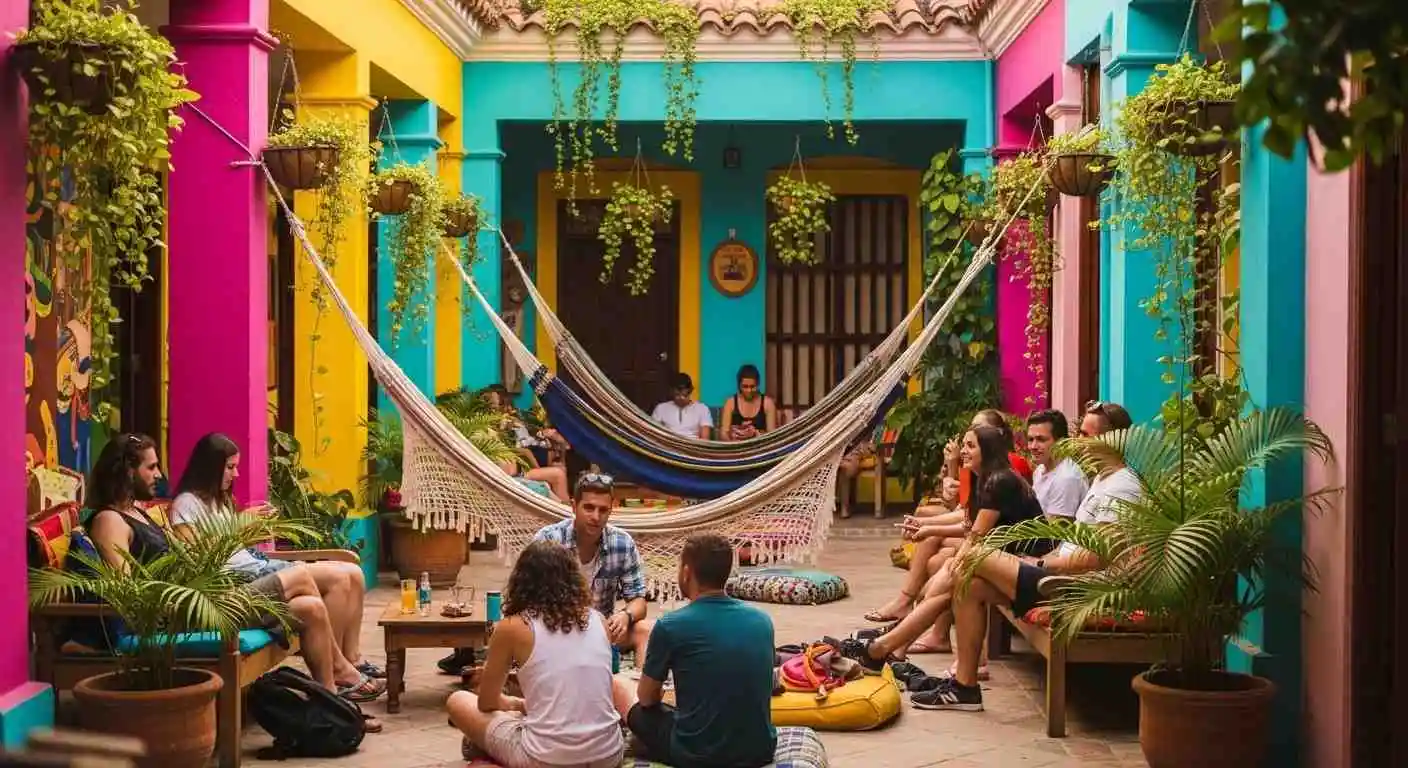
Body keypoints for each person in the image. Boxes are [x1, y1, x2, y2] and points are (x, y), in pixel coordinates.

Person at [84, 434, 384, 707]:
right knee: (302, 577)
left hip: (206, 597)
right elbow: (127, 591)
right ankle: (344, 670)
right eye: (151, 468)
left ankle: (331, 703)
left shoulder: (136, 512)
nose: (159, 475)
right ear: (126, 470)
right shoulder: (109, 520)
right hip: (184, 613)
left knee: (311, 607)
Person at [913, 400, 1142, 711]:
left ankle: (895, 641)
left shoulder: (1122, 488)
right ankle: (965, 687)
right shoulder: (1102, 479)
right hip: (1058, 571)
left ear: (1113, 440)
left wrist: (1038, 563)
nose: (1077, 443)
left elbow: (1095, 559)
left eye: (1086, 436)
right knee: (970, 584)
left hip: (1076, 584)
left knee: (974, 555)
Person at [169, 433, 386, 686]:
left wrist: (254, 531)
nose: (235, 475)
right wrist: (240, 526)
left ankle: (351, 658)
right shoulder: (186, 505)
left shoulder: (218, 501)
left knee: (353, 572)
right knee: (338, 579)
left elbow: (233, 548)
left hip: (257, 565)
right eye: (230, 467)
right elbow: (200, 557)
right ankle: (337, 668)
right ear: (210, 467)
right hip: (242, 579)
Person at [852, 424, 1051, 672]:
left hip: (1029, 566)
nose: (963, 451)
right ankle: (891, 647)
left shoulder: (1001, 480)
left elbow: (976, 536)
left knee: (951, 575)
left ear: (987, 450)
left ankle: (889, 646)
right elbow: (970, 525)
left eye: (970, 446)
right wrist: (927, 527)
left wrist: (936, 537)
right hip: (1004, 562)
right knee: (950, 582)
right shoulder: (986, 477)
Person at [439, 473, 655, 674]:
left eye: (603, 510)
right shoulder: (549, 540)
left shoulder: (622, 543)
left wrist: (626, 616)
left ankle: (638, 706)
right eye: (588, 508)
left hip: (601, 632)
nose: (596, 516)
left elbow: (639, 601)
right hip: (554, 629)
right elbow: (525, 598)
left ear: (611, 510)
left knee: (644, 629)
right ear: (573, 506)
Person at [447, 541, 625, 768]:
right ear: (574, 580)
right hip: (608, 755)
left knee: (458, 701)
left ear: (521, 581)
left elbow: (487, 702)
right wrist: (522, 706)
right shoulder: (599, 620)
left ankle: (486, 749)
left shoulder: (512, 626)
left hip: (546, 759)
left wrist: (513, 704)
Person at [617, 534, 777, 768]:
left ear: (686, 572)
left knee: (619, 685)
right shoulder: (762, 621)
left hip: (696, 754)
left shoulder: (671, 625)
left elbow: (647, 699)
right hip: (759, 750)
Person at [1025, 409, 1089, 520]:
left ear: (1061, 442)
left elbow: (1056, 532)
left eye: (1041, 439)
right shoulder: (1040, 469)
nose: (1033, 446)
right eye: (1030, 439)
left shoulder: (1066, 478)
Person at [719, 364, 776, 441]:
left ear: (758, 384)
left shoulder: (768, 403)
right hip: (736, 448)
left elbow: (772, 434)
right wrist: (734, 438)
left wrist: (756, 433)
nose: (749, 390)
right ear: (739, 385)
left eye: (752, 386)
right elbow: (723, 433)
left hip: (760, 447)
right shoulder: (730, 403)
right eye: (745, 386)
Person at [651, 372, 714, 439]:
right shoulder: (661, 408)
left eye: (685, 395)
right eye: (677, 395)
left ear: (690, 391)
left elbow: (705, 439)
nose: (681, 398)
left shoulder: (702, 408)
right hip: (667, 446)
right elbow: (654, 434)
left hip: (693, 447)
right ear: (672, 392)